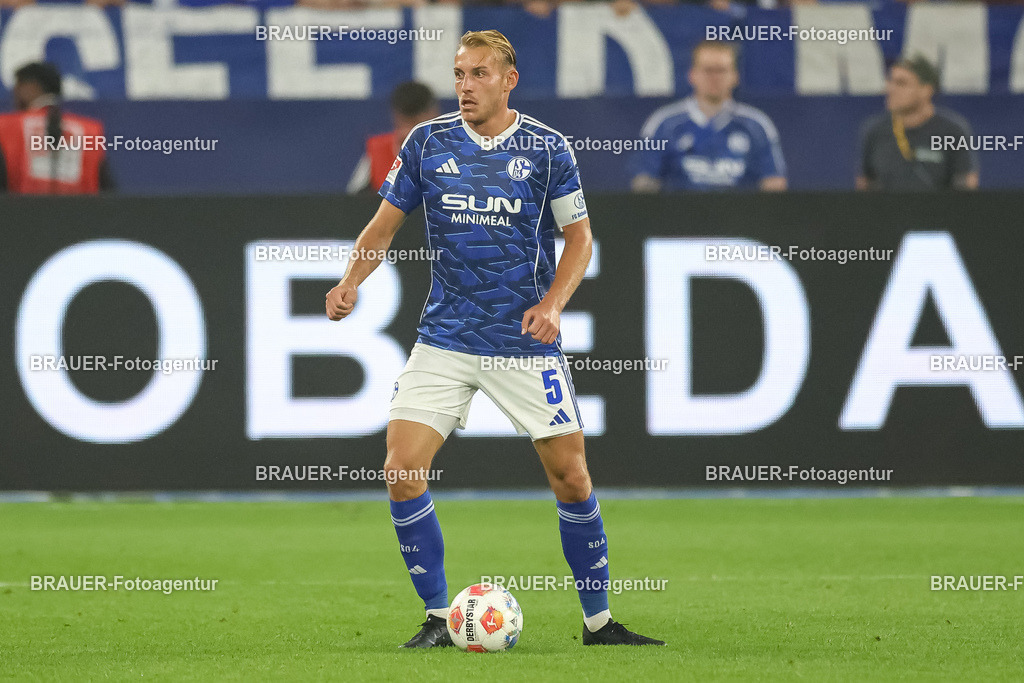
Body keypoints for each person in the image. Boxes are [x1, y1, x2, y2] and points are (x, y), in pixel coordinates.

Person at [326, 29, 664, 649]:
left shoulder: (546, 147)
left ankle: (598, 623)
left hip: (523, 342)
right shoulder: (426, 143)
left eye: (479, 74)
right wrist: (351, 280)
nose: (465, 86)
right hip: (446, 337)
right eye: (459, 74)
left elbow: (579, 240)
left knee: (572, 479)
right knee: (401, 470)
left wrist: (553, 305)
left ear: (509, 79)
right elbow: (384, 224)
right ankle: (435, 617)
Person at [632, 40, 786, 192]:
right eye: (708, 70)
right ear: (692, 75)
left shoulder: (757, 125)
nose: (715, 77)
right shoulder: (664, 123)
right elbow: (643, 180)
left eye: (721, 70)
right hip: (679, 214)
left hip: (740, 215)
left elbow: (774, 182)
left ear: (735, 76)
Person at [857, 55, 978, 191]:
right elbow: (865, 183)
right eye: (890, 81)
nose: (890, 89)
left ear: (926, 90)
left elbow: (966, 183)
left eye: (901, 83)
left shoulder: (952, 131)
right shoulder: (875, 130)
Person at [0, 62, 114, 194]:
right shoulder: (90, 131)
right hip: (82, 213)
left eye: (17, 88)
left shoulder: (6, 127)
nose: (13, 97)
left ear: (30, 87)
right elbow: (108, 192)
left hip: (17, 213)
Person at [347, 82, 438, 194]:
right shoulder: (377, 151)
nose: (411, 132)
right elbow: (351, 202)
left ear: (433, 114)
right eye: (406, 122)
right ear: (396, 117)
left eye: (417, 123)